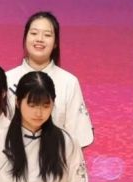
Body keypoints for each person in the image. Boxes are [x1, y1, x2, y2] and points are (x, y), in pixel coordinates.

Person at [6, 11, 93, 148]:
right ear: (25, 37)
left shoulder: (69, 82)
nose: (39, 39)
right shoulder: (6, 79)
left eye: (47, 35)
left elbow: (78, 138)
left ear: (56, 43)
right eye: (34, 33)